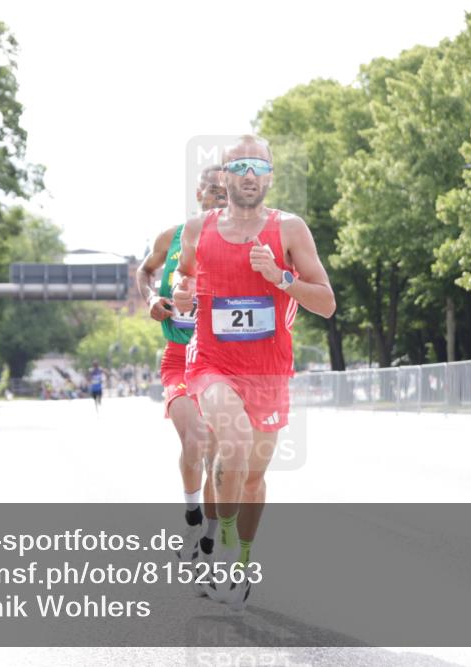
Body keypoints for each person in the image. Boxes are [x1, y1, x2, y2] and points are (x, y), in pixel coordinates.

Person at [174, 135, 335, 609]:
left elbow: (326, 303)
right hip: (212, 364)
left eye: (257, 166)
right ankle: (218, 547)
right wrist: (183, 297)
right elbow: (184, 278)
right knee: (233, 441)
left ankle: (241, 556)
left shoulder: (290, 230)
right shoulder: (196, 229)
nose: (248, 174)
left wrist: (281, 278)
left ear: (269, 176)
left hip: (269, 372)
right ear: (222, 176)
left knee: (251, 479)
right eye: (238, 166)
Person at [137, 165, 226, 580]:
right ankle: (193, 517)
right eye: (212, 190)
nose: (219, 197)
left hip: (224, 362)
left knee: (218, 461)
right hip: (180, 356)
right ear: (198, 193)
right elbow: (144, 270)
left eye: (227, 192)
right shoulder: (172, 236)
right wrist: (152, 296)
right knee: (196, 440)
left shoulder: (245, 242)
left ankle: (209, 539)